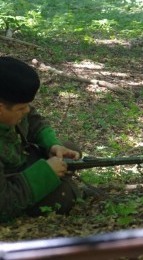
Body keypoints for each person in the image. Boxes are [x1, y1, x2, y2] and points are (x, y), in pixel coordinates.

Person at [0, 56, 82, 222]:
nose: (27, 110)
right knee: (63, 197)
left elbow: (33, 121)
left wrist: (53, 145)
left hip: (18, 162)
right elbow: (3, 203)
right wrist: (46, 174)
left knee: (69, 150)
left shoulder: (10, 99)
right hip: (7, 185)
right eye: (21, 108)